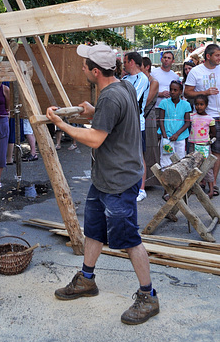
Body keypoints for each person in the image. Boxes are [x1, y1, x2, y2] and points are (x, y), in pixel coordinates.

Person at [46, 44, 159, 325]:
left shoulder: (111, 97)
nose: (82, 68)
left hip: (118, 180)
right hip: (105, 177)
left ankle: (149, 296)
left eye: (85, 65)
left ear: (96, 71)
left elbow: (96, 139)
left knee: (130, 240)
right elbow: (116, 118)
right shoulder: (124, 87)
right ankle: (86, 279)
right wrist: (92, 111)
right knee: (94, 231)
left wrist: (61, 124)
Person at [184, 43, 220, 189]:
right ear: (208, 56)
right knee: (201, 150)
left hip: (219, 117)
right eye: (217, 55)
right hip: (204, 118)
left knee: (217, 151)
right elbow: (187, 92)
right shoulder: (196, 71)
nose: (219, 58)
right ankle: (200, 182)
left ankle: (213, 183)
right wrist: (205, 92)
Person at [122, 51, 150, 202]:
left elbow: (132, 98)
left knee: (139, 156)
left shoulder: (142, 79)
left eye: (125, 61)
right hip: (124, 124)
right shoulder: (125, 78)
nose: (124, 64)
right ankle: (128, 186)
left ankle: (141, 189)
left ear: (132, 62)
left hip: (137, 124)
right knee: (126, 156)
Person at [157, 80, 191, 167]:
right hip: (167, 137)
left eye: (175, 90)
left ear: (180, 92)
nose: (172, 92)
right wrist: (164, 136)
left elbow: (187, 123)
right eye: (171, 89)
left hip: (180, 137)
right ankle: (165, 180)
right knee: (165, 161)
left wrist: (177, 134)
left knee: (180, 160)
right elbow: (161, 120)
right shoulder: (164, 103)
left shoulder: (186, 104)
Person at [189, 95, 216, 198]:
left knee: (207, 167)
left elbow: (214, 134)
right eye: (196, 104)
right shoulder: (192, 117)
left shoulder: (210, 119)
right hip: (193, 145)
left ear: (206, 105)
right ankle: (193, 188)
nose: (199, 107)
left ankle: (211, 189)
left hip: (204, 146)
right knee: (193, 166)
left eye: (201, 104)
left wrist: (210, 142)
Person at [141, 57, 160, 185]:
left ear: (147, 67)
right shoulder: (139, 80)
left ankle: (150, 180)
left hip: (149, 116)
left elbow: (146, 101)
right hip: (141, 116)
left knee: (150, 147)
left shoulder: (153, 82)